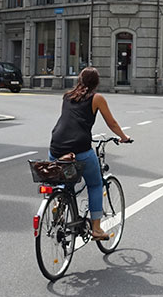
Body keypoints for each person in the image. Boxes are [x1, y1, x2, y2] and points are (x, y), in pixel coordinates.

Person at [49, 67, 132, 241]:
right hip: (79, 149)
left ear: (79, 79)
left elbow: (68, 121)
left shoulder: (67, 96)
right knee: (95, 184)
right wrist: (123, 137)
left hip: (56, 147)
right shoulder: (97, 98)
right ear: (96, 83)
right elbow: (112, 123)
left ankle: (59, 203)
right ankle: (96, 228)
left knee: (66, 181)